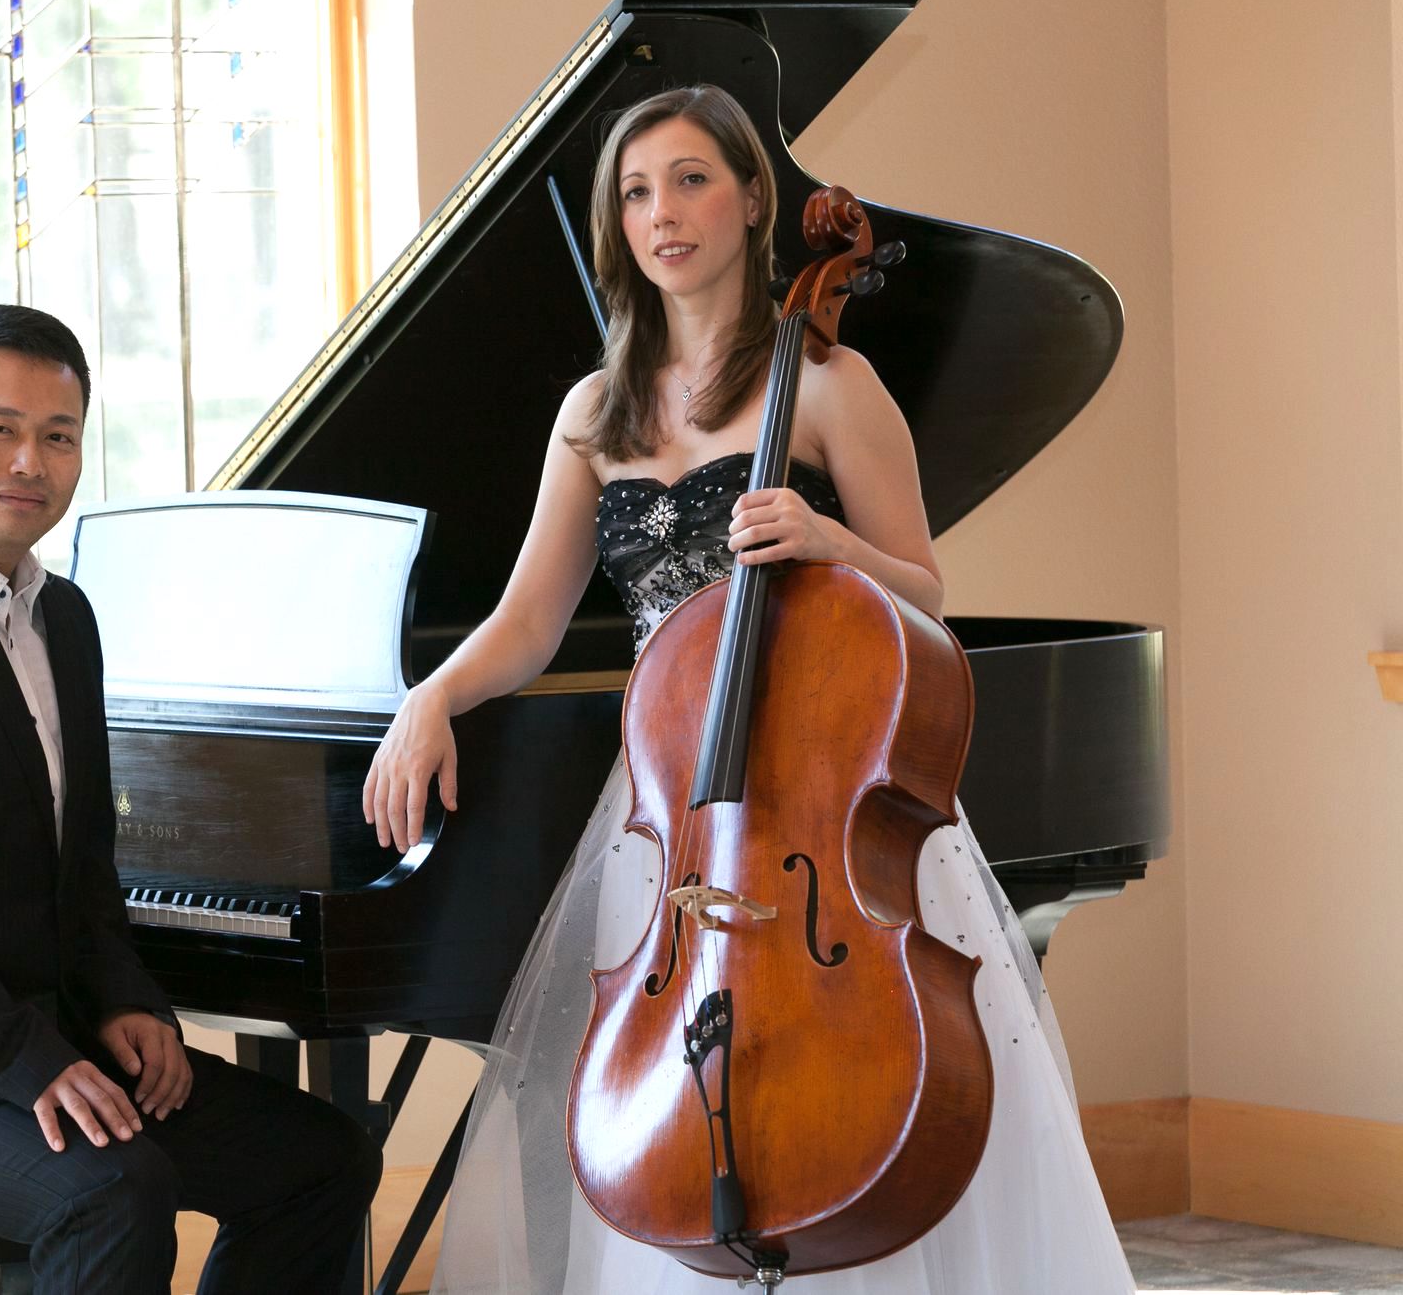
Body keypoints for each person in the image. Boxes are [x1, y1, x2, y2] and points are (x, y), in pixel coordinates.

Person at [362, 87, 1134, 1294]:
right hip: (676, 814)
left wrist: (830, 545)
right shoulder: (593, 412)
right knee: (675, 1091)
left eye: (689, 181)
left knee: (859, 1085)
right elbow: (527, 621)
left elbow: (924, 593)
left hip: (825, 783)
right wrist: (430, 697)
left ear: (751, 199)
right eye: (635, 193)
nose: (660, 214)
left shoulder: (827, 383)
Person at [0, 304, 381, 1295]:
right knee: (112, 1188)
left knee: (320, 1158)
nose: (30, 462)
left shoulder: (65, 615)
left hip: (53, 1032)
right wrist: (28, 1062)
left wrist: (130, 1001)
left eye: (58, 437)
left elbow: (83, 860)